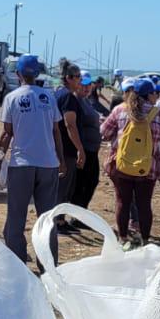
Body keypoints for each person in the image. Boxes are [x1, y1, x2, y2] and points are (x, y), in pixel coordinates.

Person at [0, 54, 63, 267]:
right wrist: (60, 159)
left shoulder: (12, 98)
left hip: (21, 165)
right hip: (48, 164)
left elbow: (7, 133)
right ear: (37, 74)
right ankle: (48, 267)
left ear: (18, 74)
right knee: (46, 220)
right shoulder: (48, 97)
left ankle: (18, 266)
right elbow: (56, 132)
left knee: (16, 217)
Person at [101, 77, 160, 249]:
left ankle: (123, 238)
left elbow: (104, 132)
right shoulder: (159, 113)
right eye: (155, 93)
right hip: (148, 168)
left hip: (122, 165)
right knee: (144, 204)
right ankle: (145, 240)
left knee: (122, 202)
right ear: (149, 95)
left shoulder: (120, 110)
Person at [67, 70, 107, 216]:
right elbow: (72, 125)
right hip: (83, 149)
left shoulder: (86, 101)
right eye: (83, 84)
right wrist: (80, 149)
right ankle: (77, 215)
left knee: (91, 181)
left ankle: (81, 214)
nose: (87, 87)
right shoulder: (75, 101)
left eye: (89, 84)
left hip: (92, 149)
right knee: (81, 184)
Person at [53, 60, 90, 216]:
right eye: (77, 77)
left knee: (62, 186)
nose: (80, 81)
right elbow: (70, 125)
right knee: (64, 187)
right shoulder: (68, 97)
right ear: (68, 78)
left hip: (58, 145)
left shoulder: (58, 93)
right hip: (66, 148)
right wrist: (80, 149)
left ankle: (59, 220)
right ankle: (58, 221)